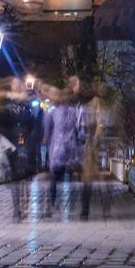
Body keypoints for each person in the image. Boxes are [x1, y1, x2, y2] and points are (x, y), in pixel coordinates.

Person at [42, 77, 87, 218]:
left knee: (57, 178)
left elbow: (47, 130)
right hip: (65, 148)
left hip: (64, 148)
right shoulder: (61, 111)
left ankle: (54, 205)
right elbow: (48, 130)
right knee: (61, 177)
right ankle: (74, 207)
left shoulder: (63, 111)